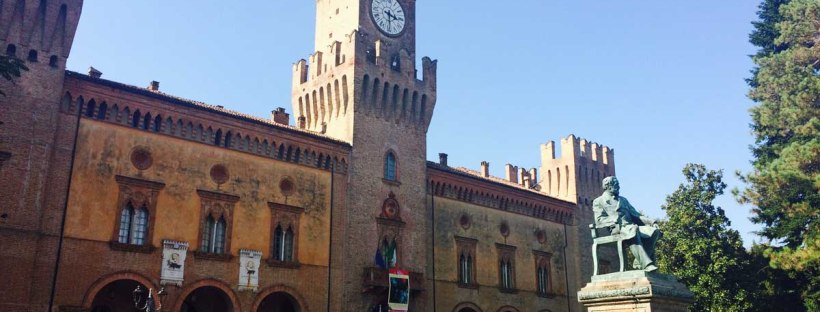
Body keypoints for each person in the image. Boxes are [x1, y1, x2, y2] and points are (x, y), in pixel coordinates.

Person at [592, 176, 662, 271]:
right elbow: (599, 220)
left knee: (654, 231)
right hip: (617, 228)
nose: (619, 187)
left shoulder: (623, 200)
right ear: (607, 186)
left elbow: (636, 215)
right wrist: (614, 219)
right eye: (616, 185)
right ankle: (646, 265)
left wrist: (652, 222)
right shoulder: (599, 201)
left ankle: (639, 262)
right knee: (633, 230)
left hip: (631, 226)